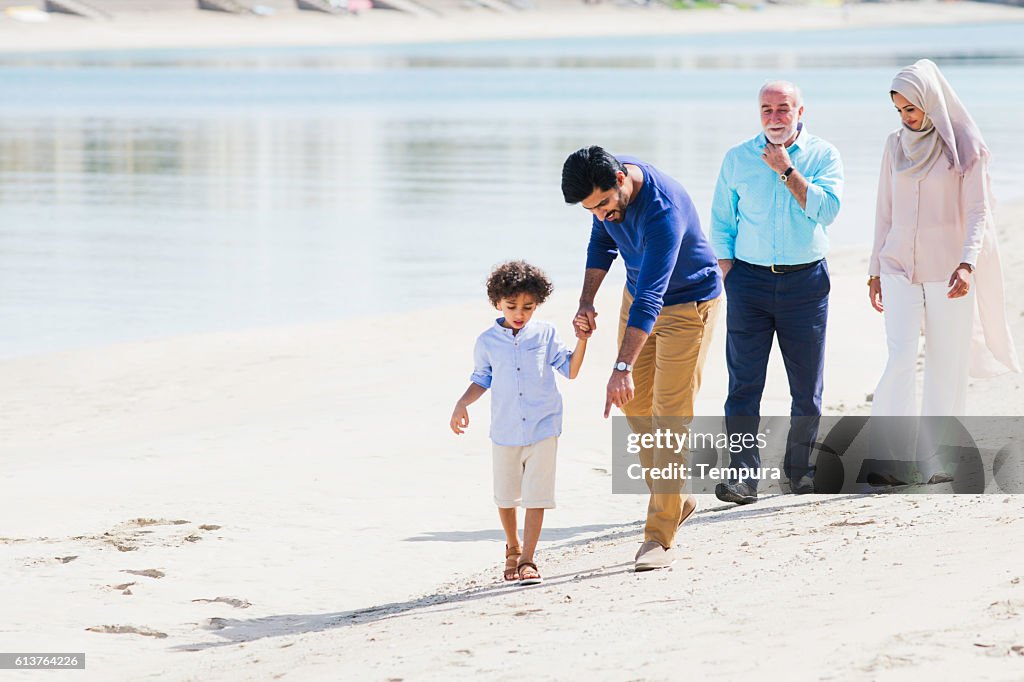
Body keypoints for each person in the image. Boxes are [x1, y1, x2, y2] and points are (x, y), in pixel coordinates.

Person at [561, 145, 722, 572]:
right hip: (639, 302)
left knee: (670, 416)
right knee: (634, 405)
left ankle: (658, 535)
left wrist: (620, 367)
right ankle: (678, 497)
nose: (599, 214)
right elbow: (602, 244)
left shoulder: (661, 210)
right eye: (589, 209)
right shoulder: (607, 202)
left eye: (602, 204)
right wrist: (586, 302)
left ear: (619, 182)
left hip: (687, 307)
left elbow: (654, 296)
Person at [710, 81, 844, 504]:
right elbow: (720, 221)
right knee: (743, 385)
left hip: (806, 282)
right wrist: (729, 269)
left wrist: (786, 170)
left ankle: (800, 471)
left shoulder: (824, 155)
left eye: (783, 109)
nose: (774, 117)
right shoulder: (737, 158)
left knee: (806, 386)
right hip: (748, 283)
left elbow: (828, 211)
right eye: (766, 109)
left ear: (801, 111)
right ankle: (743, 478)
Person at [868, 59, 1020, 420]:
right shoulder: (894, 145)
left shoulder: (966, 146)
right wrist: (874, 269)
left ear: (931, 100)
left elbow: (979, 212)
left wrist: (967, 263)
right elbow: (883, 212)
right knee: (901, 357)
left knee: (945, 363)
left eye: (911, 108)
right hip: (897, 266)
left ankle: (936, 458)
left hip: (949, 270)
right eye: (899, 110)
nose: (906, 117)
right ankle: (892, 460)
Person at [450, 260, 587, 585]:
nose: (519, 313)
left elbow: (571, 370)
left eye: (528, 306)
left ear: (538, 303)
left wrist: (583, 340)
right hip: (506, 429)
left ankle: (528, 559)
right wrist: (461, 403)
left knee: (537, 496)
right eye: (511, 306)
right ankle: (512, 547)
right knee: (506, 496)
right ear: (497, 303)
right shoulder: (487, 341)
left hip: (544, 426)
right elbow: (481, 379)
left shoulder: (546, 333)